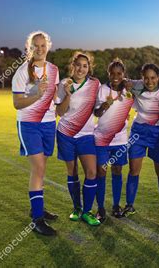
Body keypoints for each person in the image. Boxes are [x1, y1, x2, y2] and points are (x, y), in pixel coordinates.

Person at [12, 30, 59, 236]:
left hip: (49, 124)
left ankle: (37, 207)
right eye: (35, 46)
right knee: (38, 168)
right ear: (28, 48)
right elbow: (17, 103)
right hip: (29, 124)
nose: (39, 49)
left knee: (43, 166)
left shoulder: (54, 70)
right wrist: (36, 94)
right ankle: (37, 219)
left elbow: (55, 97)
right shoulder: (22, 72)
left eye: (42, 45)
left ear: (48, 46)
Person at [122, 63, 159, 221]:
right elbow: (120, 79)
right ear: (142, 78)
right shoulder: (137, 85)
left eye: (153, 78)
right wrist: (125, 84)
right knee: (134, 170)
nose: (149, 81)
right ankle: (129, 205)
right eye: (146, 78)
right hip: (138, 133)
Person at [55, 52, 100, 226]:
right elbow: (60, 112)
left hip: (86, 135)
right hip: (66, 134)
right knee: (72, 172)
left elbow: (98, 107)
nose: (81, 69)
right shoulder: (64, 84)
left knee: (91, 172)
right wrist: (67, 94)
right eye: (78, 65)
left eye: (85, 66)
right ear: (72, 66)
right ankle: (77, 208)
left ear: (89, 68)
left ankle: (88, 211)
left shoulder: (94, 84)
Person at [93, 58, 134, 222]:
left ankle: (116, 205)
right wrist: (104, 106)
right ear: (108, 74)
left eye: (119, 73)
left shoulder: (128, 91)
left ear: (123, 74)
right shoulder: (102, 90)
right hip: (102, 139)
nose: (116, 76)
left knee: (117, 171)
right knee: (101, 172)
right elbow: (96, 113)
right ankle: (101, 208)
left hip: (120, 139)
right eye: (113, 73)